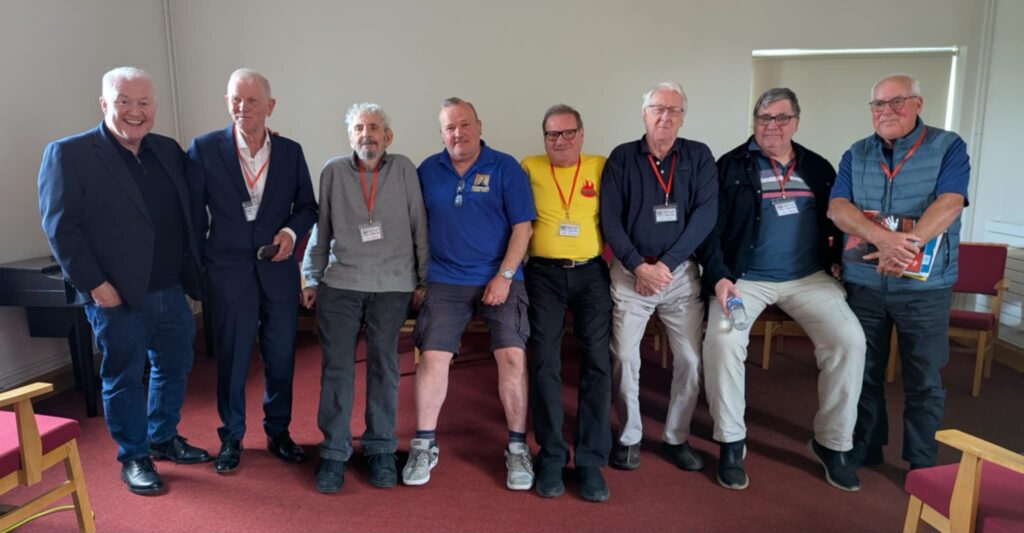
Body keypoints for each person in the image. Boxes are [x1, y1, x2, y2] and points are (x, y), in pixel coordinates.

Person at [38, 67, 210, 495]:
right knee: (123, 376)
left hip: (170, 287)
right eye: (124, 102)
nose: (135, 112)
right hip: (116, 295)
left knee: (174, 366)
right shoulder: (69, 154)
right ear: (104, 104)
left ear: (154, 107)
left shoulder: (167, 150)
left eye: (144, 103)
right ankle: (134, 456)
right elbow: (62, 229)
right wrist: (96, 287)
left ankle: (163, 436)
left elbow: (197, 198)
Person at [698, 88, 866, 492]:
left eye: (781, 118)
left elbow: (838, 220)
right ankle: (731, 441)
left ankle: (832, 443)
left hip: (808, 277)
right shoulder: (730, 166)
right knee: (721, 343)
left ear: (796, 121)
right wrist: (719, 276)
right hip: (745, 278)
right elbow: (710, 230)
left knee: (850, 341)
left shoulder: (818, 167)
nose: (771, 126)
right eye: (763, 118)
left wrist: (842, 257)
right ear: (754, 121)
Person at [828, 74, 970, 471]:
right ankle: (867, 446)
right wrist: (881, 239)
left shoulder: (947, 146)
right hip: (866, 285)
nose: (886, 111)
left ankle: (922, 461)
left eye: (896, 102)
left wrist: (905, 246)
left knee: (924, 378)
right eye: (878, 104)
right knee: (865, 371)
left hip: (925, 289)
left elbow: (951, 202)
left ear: (918, 104)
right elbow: (838, 208)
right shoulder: (855, 153)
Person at [187, 68, 317, 474]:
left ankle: (278, 432)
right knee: (233, 360)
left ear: (270, 106)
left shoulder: (291, 152)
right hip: (229, 274)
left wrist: (289, 235)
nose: (242, 108)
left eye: (251, 100)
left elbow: (307, 207)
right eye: (235, 100)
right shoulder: (204, 149)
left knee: (281, 358)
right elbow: (192, 216)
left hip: (277, 272)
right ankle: (232, 437)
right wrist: (200, 269)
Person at [403, 97, 536, 491]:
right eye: (448, 127)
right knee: (432, 357)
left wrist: (505, 276)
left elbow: (523, 229)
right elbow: (412, 226)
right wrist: (418, 279)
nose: (457, 133)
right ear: (441, 132)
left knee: (512, 355)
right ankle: (424, 443)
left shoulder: (505, 167)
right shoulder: (427, 170)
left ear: (479, 125)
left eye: (464, 125)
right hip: (444, 279)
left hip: (500, 277)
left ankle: (516, 447)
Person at [301, 103, 429, 493]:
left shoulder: (404, 168)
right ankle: (335, 451)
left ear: (388, 136)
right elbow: (320, 228)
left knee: (384, 365)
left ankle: (380, 449)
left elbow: (419, 224)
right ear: (350, 136)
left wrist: (424, 279)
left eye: (374, 127)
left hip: (392, 283)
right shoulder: (333, 171)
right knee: (337, 367)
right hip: (341, 282)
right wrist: (310, 275)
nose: (366, 134)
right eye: (359, 128)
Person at [600, 81, 718, 472]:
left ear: (683, 116)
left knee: (690, 358)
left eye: (674, 110)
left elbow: (705, 217)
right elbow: (610, 221)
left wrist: (666, 265)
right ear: (644, 113)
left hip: (679, 274)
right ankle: (630, 435)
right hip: (631, 272)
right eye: (658, 109)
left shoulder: (699, 156)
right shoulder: (622, 157)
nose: (665, 116)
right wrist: (639, 266)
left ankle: (675, 436)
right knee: (624, 356)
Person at [521, 104, 612, 502]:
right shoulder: (529, 167)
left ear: (581, 133)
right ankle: (552, 454)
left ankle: (590, 459)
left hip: (591, 273)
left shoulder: (602, 165)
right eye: (552, 135)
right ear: (543, 138)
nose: (560, 141)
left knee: (596, 360)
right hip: (543, 274)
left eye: (568, 133)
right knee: (544, 360)